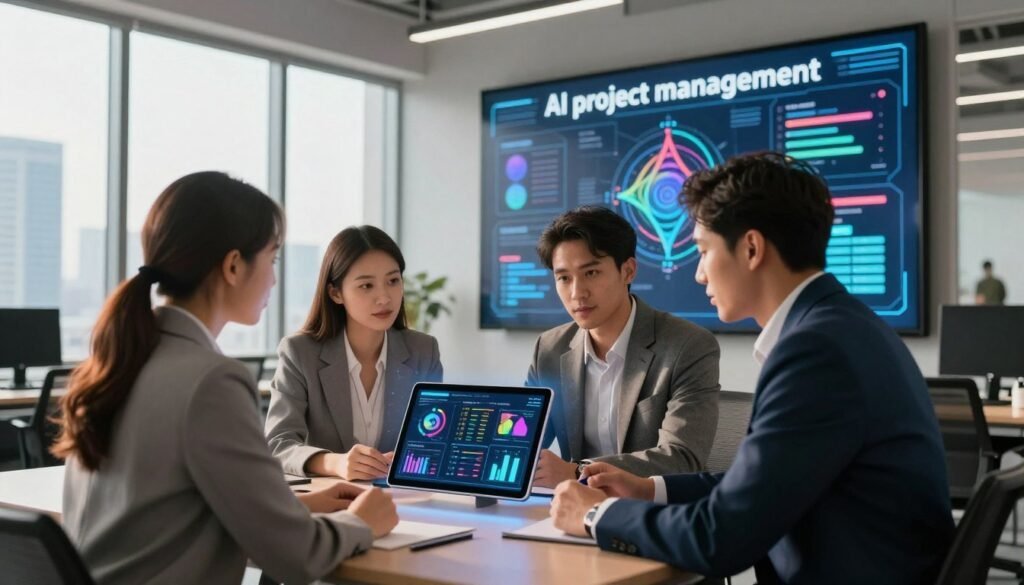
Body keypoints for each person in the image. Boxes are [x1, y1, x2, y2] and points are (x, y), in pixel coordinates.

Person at [549, 153, 954, 584]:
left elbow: (721, 537)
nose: (701, 275)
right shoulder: (842, 327)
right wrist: (648, 489)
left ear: (752, 248)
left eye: (704, 252)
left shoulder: (816, 353)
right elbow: (766, 485)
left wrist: (597, 515)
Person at [54, 172, 398, 585]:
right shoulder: (212, 380)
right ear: (234, 265)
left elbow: (176, 509)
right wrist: (362, 523)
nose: (273, 277)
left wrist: (296, 505)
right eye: (271, 259)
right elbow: (298, 557)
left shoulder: (119, 359)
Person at [527, 206, 720, 488]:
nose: (577, 292)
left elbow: (682, 458)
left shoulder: (688, 346)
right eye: (564, 278)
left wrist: (577, 471)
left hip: (649, 513)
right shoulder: (549, 348)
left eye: (591, 272)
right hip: (570, 513)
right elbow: (520, 443)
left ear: (628, 270)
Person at [266, 226, 443, 480]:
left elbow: (434, 437)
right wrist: (334, 463)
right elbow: (277, 444)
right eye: (366, 286)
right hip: (329, 502)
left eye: (393, 281)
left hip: (402, 501)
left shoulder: (423, 351)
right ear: (336, 293)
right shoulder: (300, 353)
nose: (384, 297)